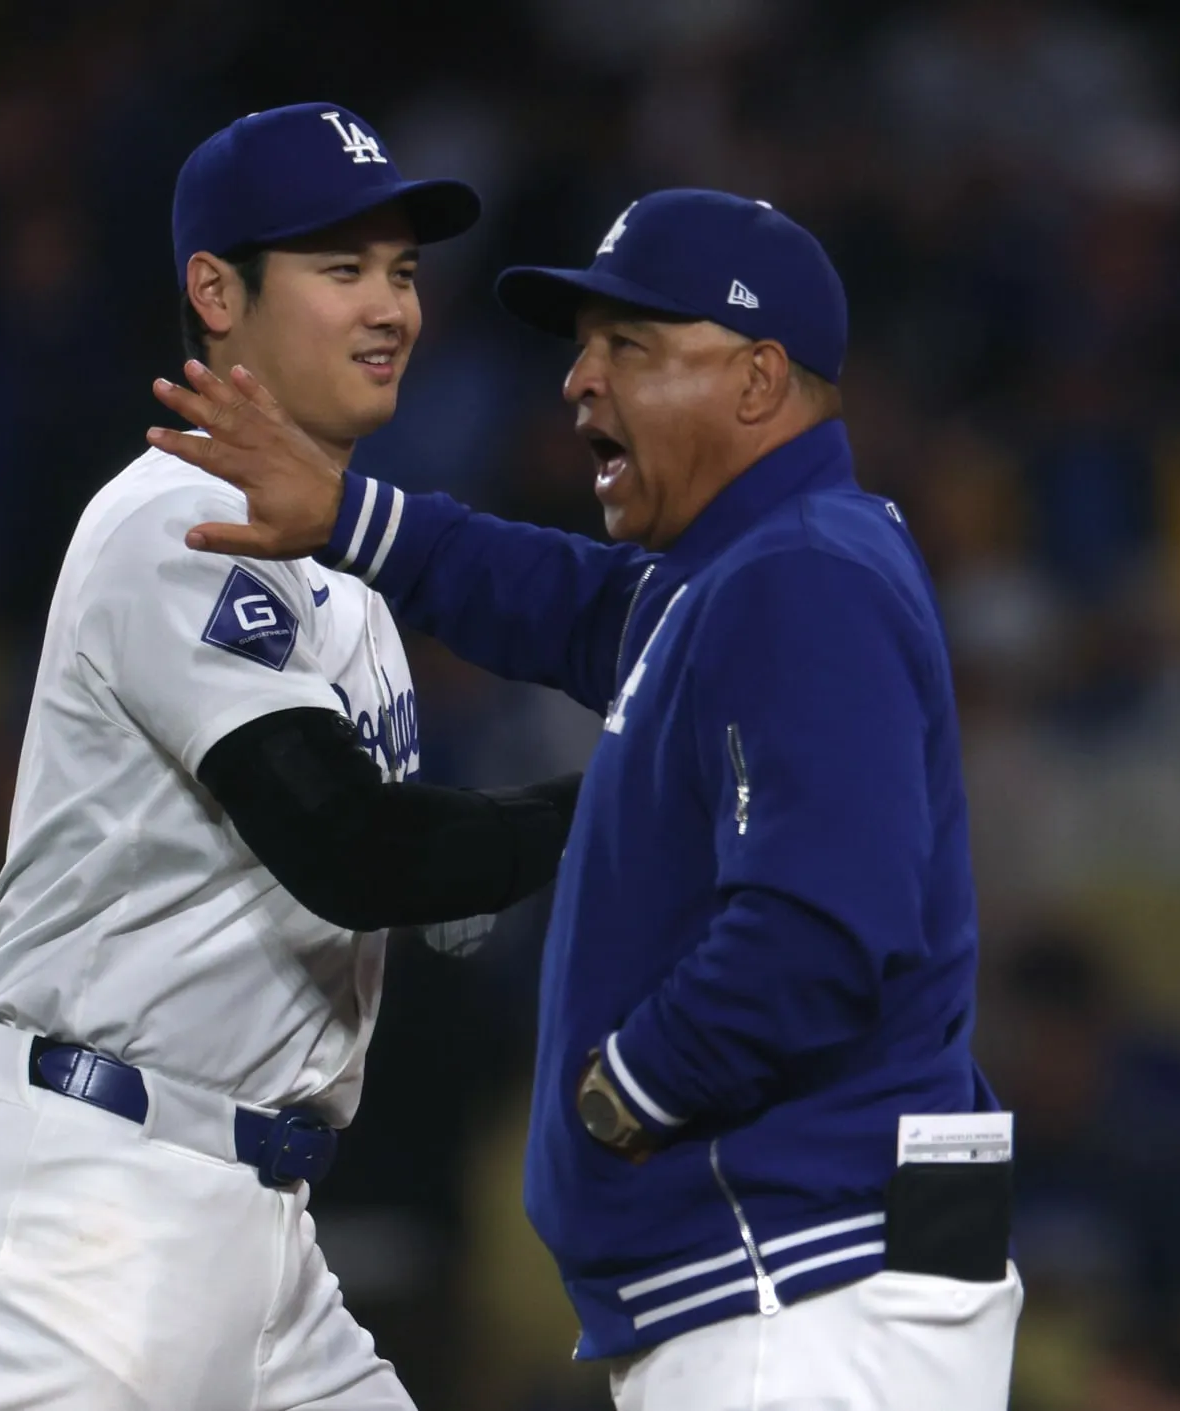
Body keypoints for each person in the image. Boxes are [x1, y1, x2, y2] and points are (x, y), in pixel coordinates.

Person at [148, 187, 1023, 1409]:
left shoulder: (802, 577)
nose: (580, 383)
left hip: (802, 1296)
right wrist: (353, 515)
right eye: (583, 347)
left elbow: (824, 929)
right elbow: (565, 598)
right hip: (812, 1283)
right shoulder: (751, 568)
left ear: (759, 381)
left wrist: (628, 1091)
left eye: (632, 348)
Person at [0, 103, 583, 1411]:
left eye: (403, 271)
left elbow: (429, 890)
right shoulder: (180, 514)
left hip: (261, 1230)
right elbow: (349, 846)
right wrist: (628, 794)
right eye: (342, 267)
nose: (391, 305)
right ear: (215, 291)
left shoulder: (352, 597)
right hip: (86, 1203)